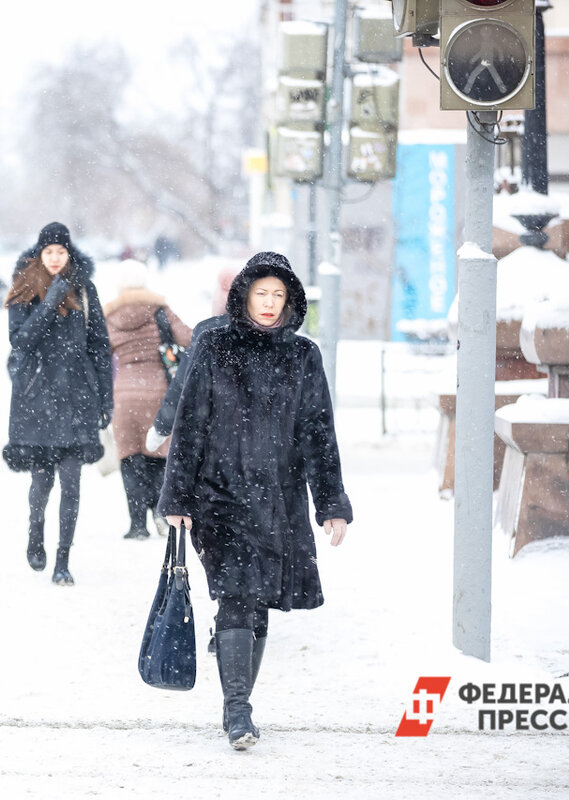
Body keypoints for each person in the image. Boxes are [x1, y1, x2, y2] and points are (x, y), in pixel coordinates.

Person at [156, 251, 352, 751]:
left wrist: (330, 502)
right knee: (239, 593)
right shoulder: (215, 345)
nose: (268, 304)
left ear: (290, 301)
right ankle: (237, 711)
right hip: (219, 499)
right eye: (261, 293)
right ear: (243, 294)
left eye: (278, 295)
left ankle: (234, 672)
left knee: (257, 604)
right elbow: (190, 426)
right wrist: (176, 495)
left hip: (278, 503)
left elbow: (318, 434)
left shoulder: (303, 356)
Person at [3, 222, 113, 586]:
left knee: (72, 482)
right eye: (48, 252)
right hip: (37, 396)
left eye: (60, 252)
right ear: (39, 254)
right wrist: (49, 303)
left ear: (69, 255)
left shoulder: (83, 289)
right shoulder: (23, 287)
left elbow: (99, 344)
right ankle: (36, 531)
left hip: (77, 395)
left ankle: (63, 560)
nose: (54, 258)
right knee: (42, 481)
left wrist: (105, 396)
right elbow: (21, 341)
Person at [102, 259, 192, 539]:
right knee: (158, 454)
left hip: (124, 396)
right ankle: (160, 512)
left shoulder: (109, 315)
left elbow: (100, 355)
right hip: (158, 392)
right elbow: (189, 339)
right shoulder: (160, 310)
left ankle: (136, 524)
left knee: (129, 458)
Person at [146, 262, 238, 452]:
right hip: (258, 446)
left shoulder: (208, 332)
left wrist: (162, 426)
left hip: (214, 438)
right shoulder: (270, 335)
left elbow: (182, 382)